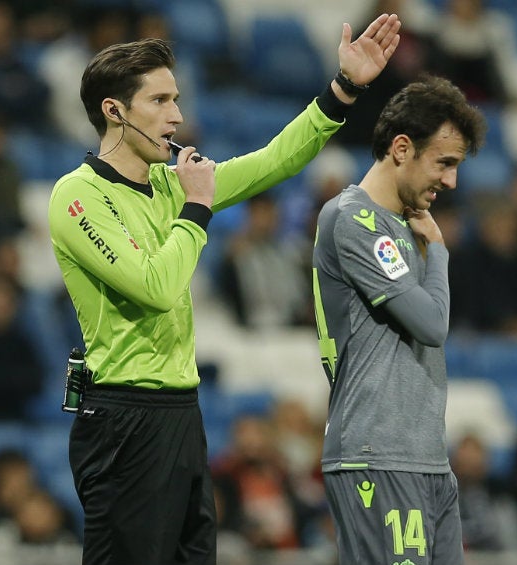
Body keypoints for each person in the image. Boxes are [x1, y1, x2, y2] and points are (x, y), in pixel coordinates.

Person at [47, 13, 402, 565]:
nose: (179, 116)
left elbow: (274, 161)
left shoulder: (171, 183)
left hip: (182, 413)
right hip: (123, 417)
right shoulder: (77, 196)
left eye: (177, 99)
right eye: (160, 101)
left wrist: (346, 88)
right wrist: (196, 209)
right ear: (114, 111)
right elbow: (156, 287)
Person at [311, 74, 486, 564]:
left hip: (425, 456)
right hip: (375, 453)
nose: (451, 181)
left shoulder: (404, 228)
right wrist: (440, 253)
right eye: (444, 163)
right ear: (402, 148)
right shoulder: (354, 219)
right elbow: (431, 324)